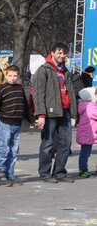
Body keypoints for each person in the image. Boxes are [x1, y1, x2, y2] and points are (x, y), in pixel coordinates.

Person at [33, 42, 78, 183]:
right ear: (52, 53)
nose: (62, 55)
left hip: (64, 112)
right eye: (59, 52)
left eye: (64, 53)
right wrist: (41, 115)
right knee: (48, 143)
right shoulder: (43, 70)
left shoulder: (66, 72)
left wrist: (73, 113)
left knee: (66, 143)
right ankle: (45, 173)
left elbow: (70, 93)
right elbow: (38, 94)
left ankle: (59, 172)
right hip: (50, 112)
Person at [0, 65, 31, 185]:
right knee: (3, 148)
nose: (13, 78)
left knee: (14, 150)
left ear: (18, 76)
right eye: (10, 75)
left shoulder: (20, 89)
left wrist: (32, 119)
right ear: (6, 75)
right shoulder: (2, 88)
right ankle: (0, 172)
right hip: (5, 123)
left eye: (15, 75)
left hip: (17, 124)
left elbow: (25, 107)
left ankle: (10, 174)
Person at [77, 86, 97, 178]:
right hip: (88, 135)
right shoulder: (90, 107)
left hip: (87, 134)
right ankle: (83, 170)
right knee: (85, 153)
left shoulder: (84, 105)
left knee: (85, 153)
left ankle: (83, 169)